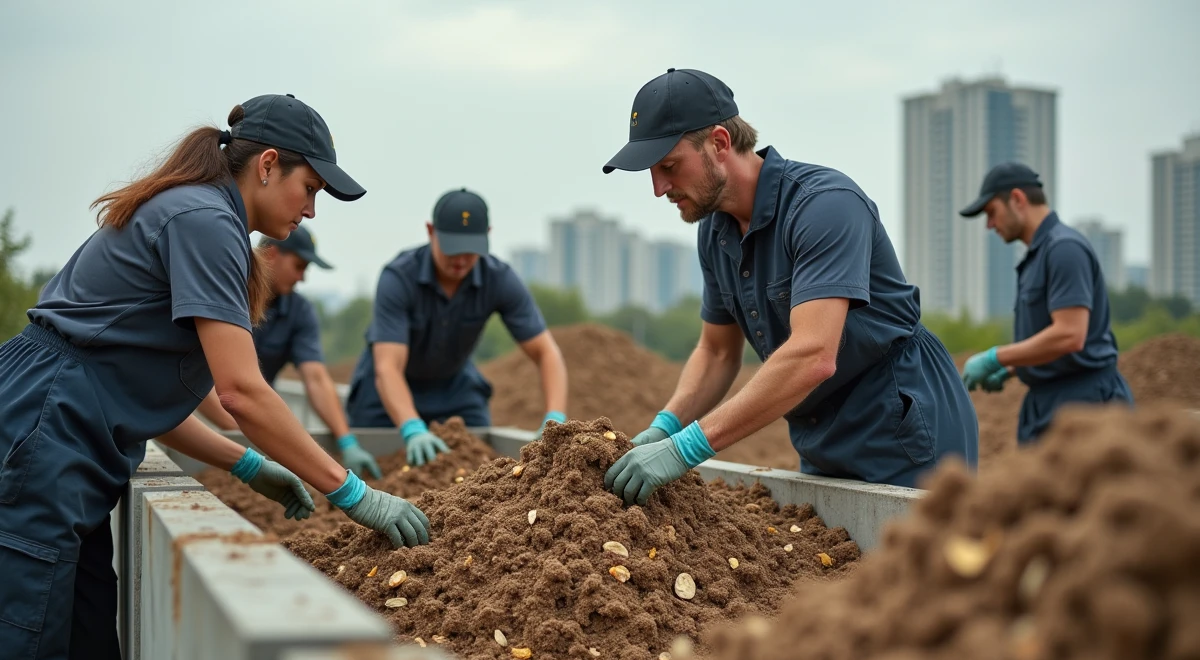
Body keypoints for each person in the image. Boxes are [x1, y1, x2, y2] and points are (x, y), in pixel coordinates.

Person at [0, 94, 430, 660]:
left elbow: (142, 399)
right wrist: (349, 491)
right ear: (268, 165)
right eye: (310, 188)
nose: (311, 211)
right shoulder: (205, 221)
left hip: (67, 426)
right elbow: (243, 392)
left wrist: (248, 465)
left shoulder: (200, 215)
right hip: (44, 429)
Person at [600, 68, 978, 505]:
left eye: (668, 166)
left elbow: (813, 356)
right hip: (820, 437)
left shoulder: (824, 206)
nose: (659, 188)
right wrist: (667, 425)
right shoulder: (714, 233)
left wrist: (687, 448)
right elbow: (718, 352)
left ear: (720, 144)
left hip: (904, 430)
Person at [345, 188, 569, 465]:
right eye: (452, 249)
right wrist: (412, 428)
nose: (461, 260)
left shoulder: (499, 279)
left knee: (481, 470)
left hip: (455, 391)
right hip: (385, 395)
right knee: (382, 468)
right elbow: (387, 367)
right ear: (430, 231)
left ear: (487, 234)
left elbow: (546, 353)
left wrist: (554, 420)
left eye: (470, 250)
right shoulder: (399, 277)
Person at [958, 162, 1133, 443]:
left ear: (1017, 199)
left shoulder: (1064, 249)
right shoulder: (1038, 256)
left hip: (1083, 407)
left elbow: (1070, 335)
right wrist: (1013, 368)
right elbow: (1055, 340)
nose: (990, 225)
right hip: (1048, 403)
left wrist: (996, 357)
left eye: (991, 212)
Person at [195, 225, 382, 478]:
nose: (302, 278)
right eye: (299, 266)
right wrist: (254, 437)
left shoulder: (299, 312)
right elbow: (202, 384)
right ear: (272, 254)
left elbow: (315, 378)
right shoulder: (226, 291)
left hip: (253, 423)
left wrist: (346, 440)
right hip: (203, 423)